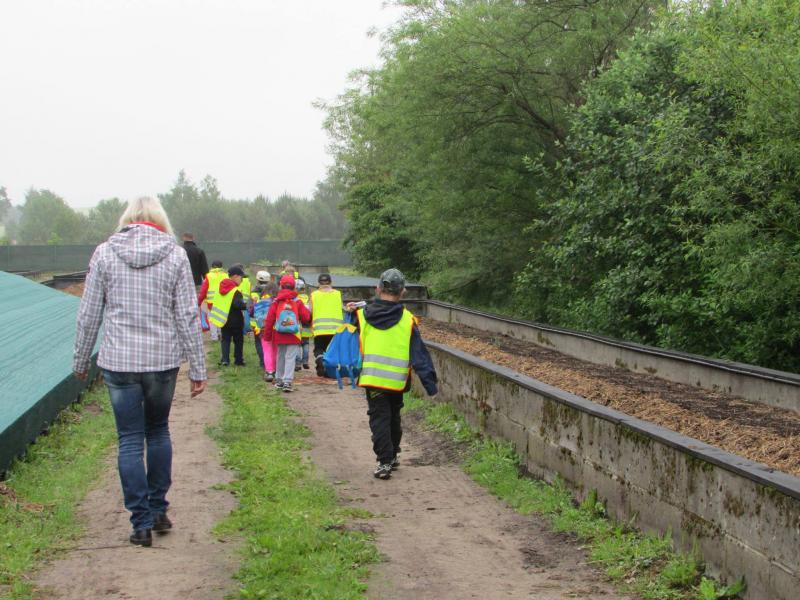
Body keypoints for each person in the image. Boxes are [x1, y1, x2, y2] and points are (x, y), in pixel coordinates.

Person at [73, 196, 207, 547]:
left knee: (129, 440)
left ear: (127, 220)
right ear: (160, 221)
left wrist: (81, 358)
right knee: (158, 431)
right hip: (161, 361)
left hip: (119, 362)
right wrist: (198, 366)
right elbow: (187, 315)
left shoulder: (104, 253)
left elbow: (89, 313)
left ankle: (140, 523)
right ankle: (158, 507)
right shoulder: (175, 255)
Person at [346, 268, 437, 480]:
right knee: (394, 416)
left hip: (372, 379)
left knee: (379, 418)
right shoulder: (408, 320)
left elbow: (349, 338)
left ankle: (384, 461)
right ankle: (393, 454)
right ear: (403, 292)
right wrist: (430, 383)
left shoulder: (362, 316)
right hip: (396, 381)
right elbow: (419, 354)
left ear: (377, 289)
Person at [263, 274, 311, 392]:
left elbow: (269, 320)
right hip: (293, 334)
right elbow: (306, 317)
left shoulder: (276, 301)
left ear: (281, 286)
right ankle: (287, 382)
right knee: (290, 357)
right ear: (294, 286)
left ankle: (279, 380)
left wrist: (267, 336)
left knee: (280, 356)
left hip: (279, 333)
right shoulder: (297, 301)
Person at [209, 265, 248, 366]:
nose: (242, 280)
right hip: (236, 320)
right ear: (235, 276)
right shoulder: (235, 291)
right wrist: (246, 305)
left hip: (223, 319)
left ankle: (225, 360)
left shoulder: (221, 288)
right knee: (238, 340)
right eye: (241, 277)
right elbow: (237, 304)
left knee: (225, 340)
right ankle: (238, 360)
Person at [310, 272, 344, 376]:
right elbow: (344, 308)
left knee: (319, 349)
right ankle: (331, 371)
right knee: (332, 350)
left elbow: (309, 311)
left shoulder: (314, 295)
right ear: (331, 282)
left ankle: (320, 361)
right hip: (336, 329)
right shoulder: (338, 294)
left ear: (319, 283)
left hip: (319, 329)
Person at [197, 260, 226, 341]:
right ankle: (221, 333)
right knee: (221, 317)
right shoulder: (225, 275)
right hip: (222, 302)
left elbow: (203, 290)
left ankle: (214, 337)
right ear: (221, 267)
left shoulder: (209, 276)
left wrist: (199, 301)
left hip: (211, 303)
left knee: (212, 320)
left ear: (212, 266)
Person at [294, 278, 312, 371]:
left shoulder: (294, 298)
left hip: (297, 322)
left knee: (296, 343)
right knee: (306, 343)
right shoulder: (308, 297)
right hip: (306, 323)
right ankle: (305, 361)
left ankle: (297, 363)